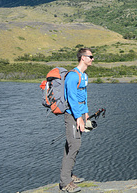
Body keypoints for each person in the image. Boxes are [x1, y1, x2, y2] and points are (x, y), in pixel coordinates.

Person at [59, 48, 94, 192]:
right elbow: (72, 98)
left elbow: (83, 96)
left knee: (71, 145)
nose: (92, 59)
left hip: (79, 113)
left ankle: (68, 175)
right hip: (72, 115)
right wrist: (78, 117)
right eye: (90, 56)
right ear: (83, 58)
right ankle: (65, 182)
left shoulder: (83, 76)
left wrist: (85, 113)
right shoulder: (73, 76)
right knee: (75, 145)